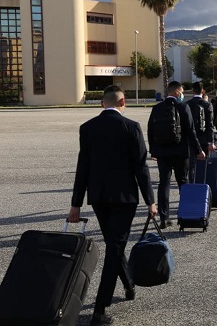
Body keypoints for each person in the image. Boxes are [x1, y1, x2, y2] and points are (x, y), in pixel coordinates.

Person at [69, 85, 157, 326]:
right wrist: (151, 200)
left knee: (114, 245)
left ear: (102, 103)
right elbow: (141, 168)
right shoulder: (131, 127)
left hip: (98, 197)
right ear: (123, 102)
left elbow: (82, 168)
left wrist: (75, 204)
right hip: (124, 198)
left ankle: (128, 284)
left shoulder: (87, 128)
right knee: (115, 248)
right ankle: (99, 309)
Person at [148, 80, 204, 229]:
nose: (182, 94)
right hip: (181, 152)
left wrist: (153, 150)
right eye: (181, 91)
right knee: (183, 183)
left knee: (164, 184)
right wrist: (199, 150)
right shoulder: (183, 107)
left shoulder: (157, 108)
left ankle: (163, 217)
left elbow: (150, 130)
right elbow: (191, 131)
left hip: (162, 152)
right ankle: (185, 215)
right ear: (177, 92)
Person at [186, 81, 216, 184]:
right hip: (203, 138)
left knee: (191, 165)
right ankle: (202, 186)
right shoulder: (207, 105)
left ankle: (191, 184)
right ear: (203, 91)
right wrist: (211, 142)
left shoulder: (187, 105)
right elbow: (210, 124)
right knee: (203, 164)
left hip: (190, 139)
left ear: (192, 91)